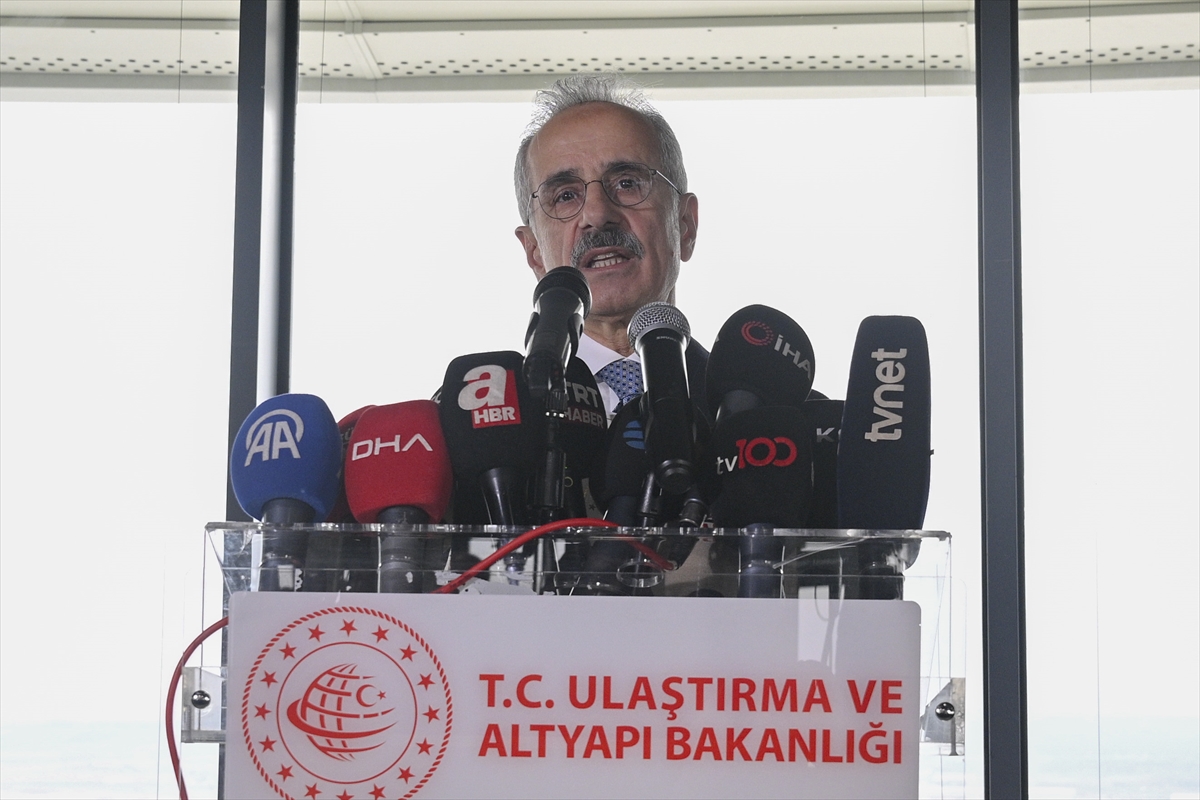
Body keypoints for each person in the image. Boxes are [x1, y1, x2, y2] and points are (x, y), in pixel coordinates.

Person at [513, 75, 708, 421]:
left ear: (685, 226)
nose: (598, 215)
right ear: (534, 252)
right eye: (566, 196)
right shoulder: (486, 428)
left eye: (627, 183)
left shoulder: (769, 415)